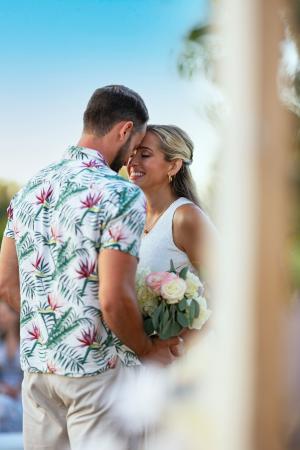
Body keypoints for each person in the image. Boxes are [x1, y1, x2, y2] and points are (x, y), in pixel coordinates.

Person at [0, 86, 179, 450]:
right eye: (136, 144)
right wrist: (146, 349)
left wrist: (51, 329)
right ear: (126, 130)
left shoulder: (29, 189)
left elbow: (5, 285)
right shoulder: (120, 193)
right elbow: (114, 298)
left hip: (37, 371)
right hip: (96, 372)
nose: (131, 159)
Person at [127, 124, 217, 345]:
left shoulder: (185, 217)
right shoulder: (132, 218)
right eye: (131, 154)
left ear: (174, 165)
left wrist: (177, 348)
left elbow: (229, 290)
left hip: (181, 361)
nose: (133, 162)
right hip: (140, 360)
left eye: (145, 154)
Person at [0, 301, 22, 432]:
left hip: (23, 394)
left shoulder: (27, 342)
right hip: (3, 393)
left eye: (3, 315)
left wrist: (17, 390)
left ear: (15, 315)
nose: (1, 319)